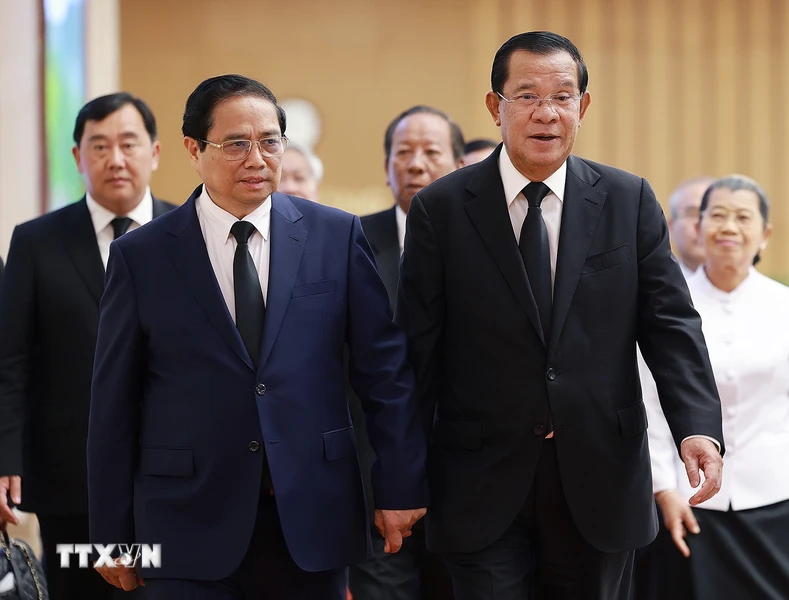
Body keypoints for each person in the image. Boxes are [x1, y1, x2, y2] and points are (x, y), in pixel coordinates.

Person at [394, 30, 725, 600]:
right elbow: (415, 353)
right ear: (495, 107)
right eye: (526, 96)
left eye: (562, 96)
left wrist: (696, 424)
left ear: (583, 106)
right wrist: (398, 475)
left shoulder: (628, 199)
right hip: (480, 481)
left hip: (600, 477)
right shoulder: (441, 210)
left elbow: (670, 324)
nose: (546, 113)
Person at [87, 74, 428, 600]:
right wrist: (111, 537)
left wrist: (400, 485)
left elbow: (383, 374)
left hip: (311, 516)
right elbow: (113, 406)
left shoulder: (335, 236)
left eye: (270, 141)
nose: (257, 158)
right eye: (236, 144)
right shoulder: (142, 256)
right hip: (184, 523)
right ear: (192, 149)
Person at [0, 92, 174, 600]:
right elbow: (11, 361)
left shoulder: (187, 233)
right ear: (78, 157)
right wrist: (5, 457)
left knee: (165, 586)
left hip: (171, 471)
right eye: (98, 146)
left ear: (155, 152)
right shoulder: (36, 242)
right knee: (84, 588)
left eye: (127, 143)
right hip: (69, 474)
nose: (115, 159)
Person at [644, 175, 789, 600]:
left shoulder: (783, 306)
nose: (729, 227)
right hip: (688, 502)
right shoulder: (666, 303)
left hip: (776, 493)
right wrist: (663, 488)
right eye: (718, 215)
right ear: (698, 226)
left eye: (743, 217)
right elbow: (649, 404)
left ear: (763, 234)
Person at [349, 106, 463, 600]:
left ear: (459, 165)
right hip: (372, 479)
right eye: (404, 152)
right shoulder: (348, 242)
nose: (416, 164)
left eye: (431, 152)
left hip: (468, 480)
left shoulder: (488, 245)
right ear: (386, 165)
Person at [668, 177, 715, 278]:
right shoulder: (652, 289)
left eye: (715, 214)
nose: (702, 224)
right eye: (692, 213)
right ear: (671, 227)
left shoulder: (757, 290)